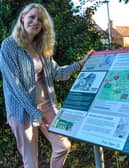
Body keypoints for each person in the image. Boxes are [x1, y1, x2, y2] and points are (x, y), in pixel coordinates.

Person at [0, 3, 93, 168]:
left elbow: (58, 73)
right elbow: (14, 85)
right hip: (21, 110)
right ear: (22, 18)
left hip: (47, 106)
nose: (35, 22)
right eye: (32, 17)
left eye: (40, 19)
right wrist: (34, 112)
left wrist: (81, 63)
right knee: (31, 161)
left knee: (63, 146)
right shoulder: (9, 46)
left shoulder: (40, 47)